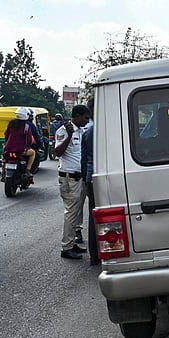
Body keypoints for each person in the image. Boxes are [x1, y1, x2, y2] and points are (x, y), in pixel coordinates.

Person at [54, 104, 91, 260]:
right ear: (77, 116)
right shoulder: (63, 131)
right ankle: (66, 247)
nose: (87, 121)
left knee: (77, 211)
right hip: (69, 178)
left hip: (80, 177)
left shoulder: (82, 130)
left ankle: (72, 242)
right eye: (85, 118)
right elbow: (57, 152)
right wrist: (69, 136)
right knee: (70, 212)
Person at [81, 101, 99, 265]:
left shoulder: (88, 131)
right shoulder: (107, 128)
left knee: (94, 216)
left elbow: (83, 160)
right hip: (104, 176)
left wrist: (85, 180)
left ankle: (94, 255)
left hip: (91, 177)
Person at [2, 107, 37, 178]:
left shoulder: (11, 124)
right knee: (33, 153)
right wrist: (27, 147)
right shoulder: (26, 126)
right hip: (20, 151)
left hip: (8, 149)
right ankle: (27, 170)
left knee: (3, 156)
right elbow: (29, 139)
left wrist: (6, 144)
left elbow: (6, 135)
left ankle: (3, 169)